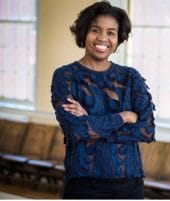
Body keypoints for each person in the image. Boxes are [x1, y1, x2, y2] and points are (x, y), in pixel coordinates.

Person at [50, 1, 155, 199]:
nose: (102, 38)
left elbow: (146, 130)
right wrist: (123, 116)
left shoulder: (131, 77)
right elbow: (76, 130)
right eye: (95, 30)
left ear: (119, 38)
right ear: (83, 33)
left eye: (111, 32)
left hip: (130, 186)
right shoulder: (65, 76)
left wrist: (90, 121)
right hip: (84, 186)